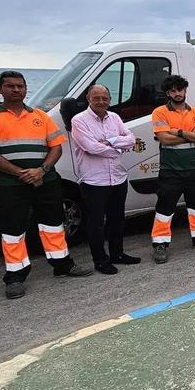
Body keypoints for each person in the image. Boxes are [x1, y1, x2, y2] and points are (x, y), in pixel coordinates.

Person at [0, 71, 92, 299]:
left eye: (20, 86)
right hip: (9, 183)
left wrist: (42, 170)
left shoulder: (40, 116)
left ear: (26, 89)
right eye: (10, 86)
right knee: (13, 230)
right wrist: (19, 172)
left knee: (53, 225)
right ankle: (15, 276)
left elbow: (56, 147)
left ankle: (62, 264)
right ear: (0, 89)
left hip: (45, 180)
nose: (16, 90)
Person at [70, 84, 141, 274]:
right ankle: (100, 260)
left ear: (109, 99)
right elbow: (91, 147)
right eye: (97, 98)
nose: (101, 101)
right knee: (96, 223)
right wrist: (118, 146)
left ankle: (117, 254)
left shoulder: (115, 117)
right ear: (88, 98)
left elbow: (131, 139)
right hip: (94, 181)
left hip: (118, 177)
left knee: (117, 219)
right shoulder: (79, 120)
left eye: (104, 98)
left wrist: (110, 142)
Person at [150, 75, 195, 263]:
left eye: (180, 90)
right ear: (167, 93)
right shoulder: (160, 112)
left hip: (193, 169)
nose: (177, 93)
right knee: (165, 208)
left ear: (185, 91)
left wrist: (180, 132)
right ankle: (160, 244)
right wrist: (192, 135)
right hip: (170, 170)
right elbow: (164, 139)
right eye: (173, 90)